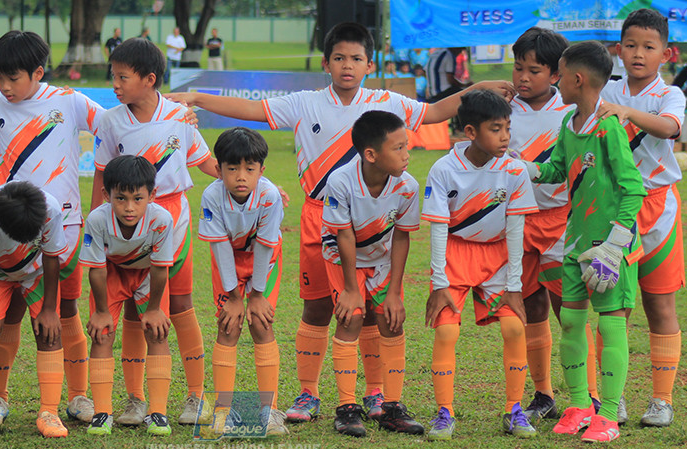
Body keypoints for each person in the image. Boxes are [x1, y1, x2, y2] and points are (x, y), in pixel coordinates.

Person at [168, 22, 513, 426]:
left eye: (356, 58)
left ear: (369, 64)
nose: (347, 65)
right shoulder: (305, 103)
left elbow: (436, 111)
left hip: (373, 218)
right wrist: (195, 97)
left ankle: (375, 393)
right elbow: (251, 110)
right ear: (326, 63)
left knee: (372, 309)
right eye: (339, 58)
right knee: (317, 307)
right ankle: (308, 393)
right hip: (319, 215)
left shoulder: (386, 103)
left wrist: (480, 87)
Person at [94, 37, 219, 427]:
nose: (115, 84)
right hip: (126, 221)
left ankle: (196, 396)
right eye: (113, 76)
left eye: (123, 77)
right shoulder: (110, 120)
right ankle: (135, 400)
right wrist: (98, 218)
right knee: (135, 308)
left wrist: (250, 182)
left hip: (172, 220)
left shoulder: (180, 117)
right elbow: (102, 174)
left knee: (178, 306)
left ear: (149, 79)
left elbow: (206, 162)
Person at [0, 31, 103, 425]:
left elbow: (116, 124)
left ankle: (79, 395)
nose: (5, 86)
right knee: (12, 312)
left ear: (38, 72)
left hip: (64, 224)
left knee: (65, 310)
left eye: (13, 78)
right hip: (10, 226)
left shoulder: (68, 101)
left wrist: (174, 113)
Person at [528, 41, 646, 443]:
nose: (556, 83)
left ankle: (608, 415)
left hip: (609, 249)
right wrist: (524, 168)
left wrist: (614, 245)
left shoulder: (609, 127)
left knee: (611, 326)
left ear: (577, 79)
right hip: (575, 243)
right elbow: (557, 169)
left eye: (559, 76)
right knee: (572, 322)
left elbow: (633, 188)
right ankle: (580, 406)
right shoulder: (568, 123)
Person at [422, 89, 538, 441]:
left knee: (514, 328)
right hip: (455, 254)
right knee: (446, 332)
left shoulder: (515, 170)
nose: (505, 137)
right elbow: (438, 230)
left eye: (507, 128)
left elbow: (516, 232)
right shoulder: (443, 169)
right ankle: (444, 412)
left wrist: (515, 286)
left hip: (497, 255)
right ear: (470, 132)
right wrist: (439, 283)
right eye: (495, 129)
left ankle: (514, 410)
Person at [598, 8, 686, 428]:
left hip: (659, 209)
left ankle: (661, 400)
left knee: (659, 303)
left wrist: (627, 113)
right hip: (613, 210)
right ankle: (612, 398)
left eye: (648, 47)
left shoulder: (670, 95)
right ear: (618, 50)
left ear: (666, 54)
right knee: (614, 308)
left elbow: (669, 128)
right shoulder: (605, 88)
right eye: (630, 45)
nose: (638, 54)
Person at [506, 27, 590, 424]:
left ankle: (587, 394)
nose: (523, 77)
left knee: (568, 308)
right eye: (518, 68)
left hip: (561, 221)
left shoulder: (571, 112)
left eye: (534, 70)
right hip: (518, 221)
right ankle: (543, 393)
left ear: (556, 74)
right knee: (531, 305)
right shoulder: (503, 110)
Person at [322, 111, 423, 438]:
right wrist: (352, 289)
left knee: (391, 321)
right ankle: (346, 408)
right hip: (343, 257)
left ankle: (392, 408)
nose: (406, 154)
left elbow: (402, 237)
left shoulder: (408, 186)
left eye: (406, 146)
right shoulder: (340, 181)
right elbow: (344, 235)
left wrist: (394, 292)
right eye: (398, 148)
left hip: (381, 260)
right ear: (371, 154)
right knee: (350, 317)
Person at [0, 181, 71, 439]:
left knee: (49, 332)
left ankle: (49, 413)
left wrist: (49, 309)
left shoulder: (51, 209)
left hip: (37, 272)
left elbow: (51, 257)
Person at [198, 128, 286, 436]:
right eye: (232, 168)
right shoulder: (211, 196)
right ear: (218, 169)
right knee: (228, 326)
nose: (241, 176)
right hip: (228, 261)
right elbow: (220, 248)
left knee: (261, 323)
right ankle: (223, 411)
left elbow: (265, 246)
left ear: (262, 170)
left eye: (250, 169)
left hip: (264, 260)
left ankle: (269, 410)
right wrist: (235, 297)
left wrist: (256, 295)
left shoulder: (270, 196)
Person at [82, 156, 175, 436]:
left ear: (152, 195)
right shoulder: (97, 219)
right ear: (106, 195)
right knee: (102, 334)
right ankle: (102, 413)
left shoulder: (161, 219)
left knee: (157, 332)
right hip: (111, 274)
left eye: (137, 198)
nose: (129, 207)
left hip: (148, 274)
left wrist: (154, 309)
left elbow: (160, 268)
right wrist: (101, 312)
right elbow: (96, 269)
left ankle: (158, 413)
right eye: (120, 198)